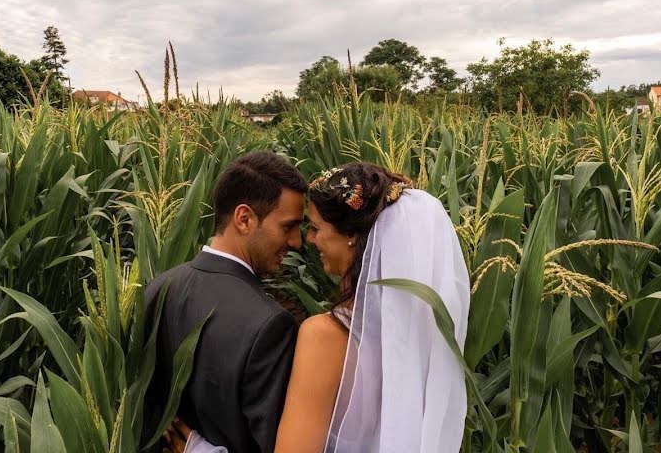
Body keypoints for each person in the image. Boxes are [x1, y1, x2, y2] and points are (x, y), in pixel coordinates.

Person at [175, 162, 470, 453]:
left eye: (316, 228)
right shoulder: (424, 331)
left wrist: (197, 449)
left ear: (351, 236)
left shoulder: (325, 337)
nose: (308, 239)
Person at [145, 151, 308, 453]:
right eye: (288, 226)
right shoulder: (269, 324)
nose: (297, 241)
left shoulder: (159, 287)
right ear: (244, 219)